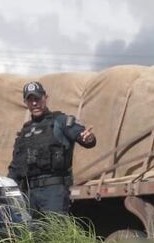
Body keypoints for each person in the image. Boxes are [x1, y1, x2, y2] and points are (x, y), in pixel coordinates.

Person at [7, 81, 96, 216]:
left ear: (45, 98)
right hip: (28, 194)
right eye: (30, 100)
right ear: (26, 103)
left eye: (37, 98)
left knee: (55, 232)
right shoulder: (25, 131)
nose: (34, 103)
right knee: (31, 235)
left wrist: (88, 139)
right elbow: (15, 167)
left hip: (54, 191)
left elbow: (84, 137)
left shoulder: (60, 121)